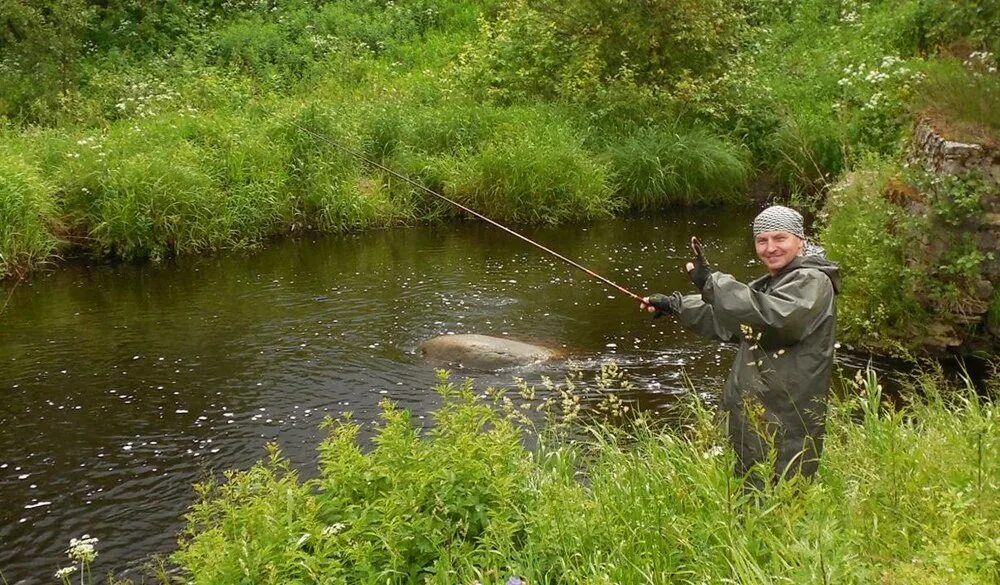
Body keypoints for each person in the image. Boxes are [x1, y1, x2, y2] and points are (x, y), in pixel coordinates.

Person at [641, 206, 841, 485]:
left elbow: (772, 319)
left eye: (779, 238)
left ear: (800, 240)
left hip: (784, 412)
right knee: (750, 487)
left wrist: (713, 284)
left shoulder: (812, 280)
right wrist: (676, 305)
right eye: (762, 240)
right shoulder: (780, 280)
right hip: (761, 407)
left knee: (781, 492)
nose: (770, 248)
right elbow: (732, 321)